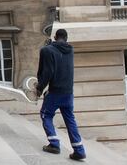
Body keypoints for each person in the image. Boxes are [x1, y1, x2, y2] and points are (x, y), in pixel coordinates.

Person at [35, 29, 86, 161]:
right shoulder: (70, 50)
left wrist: (40, 88)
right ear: (66, 38)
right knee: (70, 120)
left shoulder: (47, 50)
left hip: (55, 92)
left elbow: (47, 72)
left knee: (46, 114)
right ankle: (79, 150)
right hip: (68, 93)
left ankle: (54, 144)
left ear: (55, 37)